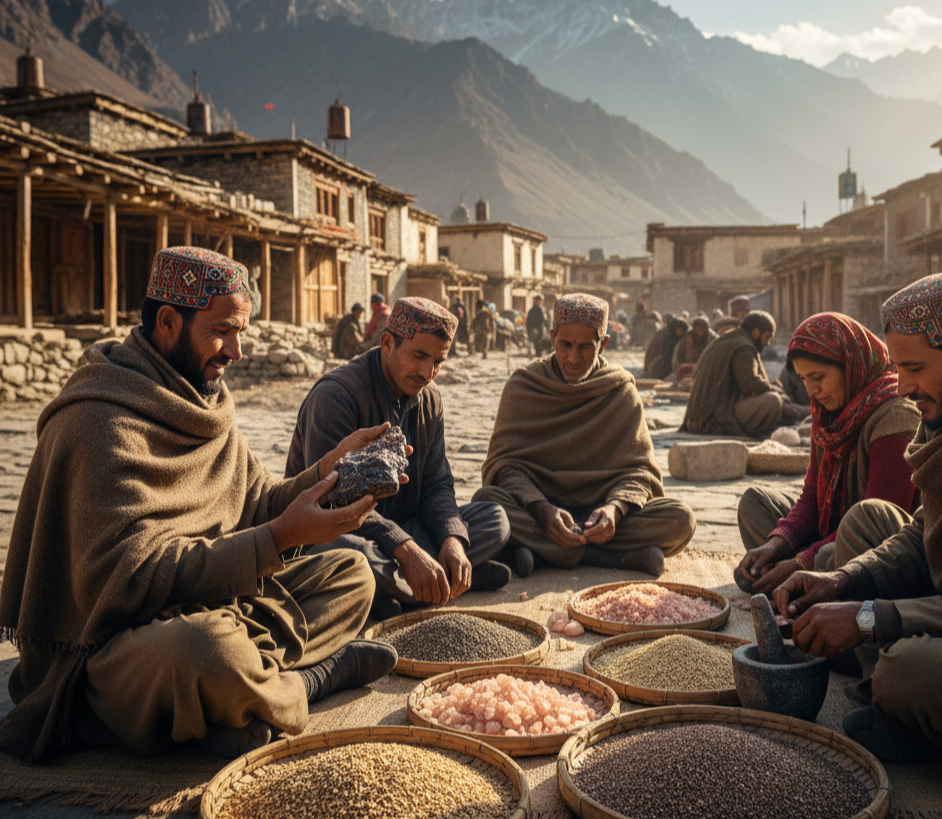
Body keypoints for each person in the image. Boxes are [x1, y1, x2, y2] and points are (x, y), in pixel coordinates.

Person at [0, 247, 397, 762]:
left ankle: (230, 700)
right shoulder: (99, 421)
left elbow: (258, 502)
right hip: (112, 649)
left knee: (353, 573)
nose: (235, 350)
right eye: (222, 330)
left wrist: (328, 472)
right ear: (168, 321)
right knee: (206, 651)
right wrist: (279, 539)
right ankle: (310, 682)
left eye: (241, 333)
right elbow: (129, 579)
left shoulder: (203, 400)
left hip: (213, 602)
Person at [772, 272, 942, 763]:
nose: (903, 387)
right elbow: (925, 529)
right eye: (896, 368)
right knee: (866, 523)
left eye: (914, 368)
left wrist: (872, 618)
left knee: (910, 672)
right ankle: (904, 698)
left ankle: (922, 711)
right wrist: (844, 581)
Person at [286, 297, 512, 621]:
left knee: (495, 519)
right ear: (388, 343)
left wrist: (452, 540)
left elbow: (437, 485)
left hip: (407, 528)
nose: (427, 372)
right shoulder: (336, 396)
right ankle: (428, 585)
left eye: (438, 362)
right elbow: (333, 502)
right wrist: (404, 548)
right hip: (340, 533)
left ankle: (405, 588)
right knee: (352, 555)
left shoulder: (429, 398)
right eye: (419, 355)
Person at [473, 294, 697, 578]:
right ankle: (606, 557)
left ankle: (544, 553)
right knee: (485, 502)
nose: (573, 358)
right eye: (565, 345)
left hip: (602, 518)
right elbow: (504, 468)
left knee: (681, 519)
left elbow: (640, 472)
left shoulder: (620, 391)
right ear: (552, 337)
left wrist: (614, 510)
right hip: (538, 512)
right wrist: (543, 510)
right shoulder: (523, 387)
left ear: (603, 344)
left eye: (585, 347)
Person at [734, 313, 920, 595]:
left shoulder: (895, 416)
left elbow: (880, 526)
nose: (811, 389)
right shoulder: (827, 414)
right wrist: (777, 544)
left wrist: (800, 562)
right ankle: (795, 573)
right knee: (754, 503)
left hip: (872, 543)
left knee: (841, 550)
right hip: (828, 531)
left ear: (851, 365)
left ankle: (810, 577)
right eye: (804, 378)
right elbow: (812, 497)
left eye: (818, 377)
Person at [682, 311, 788, 437]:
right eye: (767, 337)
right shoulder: (744, 347)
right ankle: (755, 434)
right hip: (713, 419)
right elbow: (750, 384)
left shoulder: (731, 339)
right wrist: (773, 389)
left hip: (701, 417)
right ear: (755, 333)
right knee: (774, 401)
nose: (768, 343)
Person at [672, 316, 717, 380]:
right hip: (687, 372)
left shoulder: (713, 339)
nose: (700, 332)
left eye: (703, 329)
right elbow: (678, 356)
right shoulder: (687, 339)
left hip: (707, 372)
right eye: (698, 329)